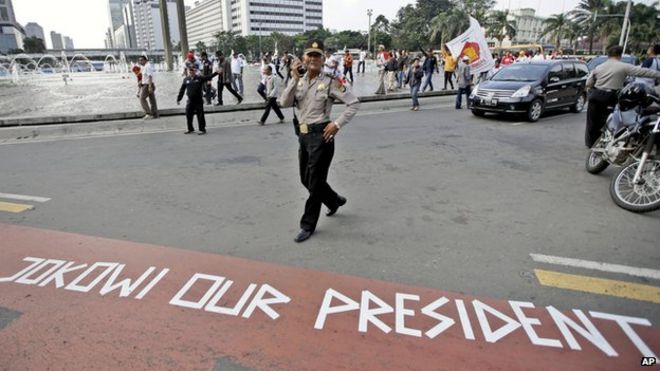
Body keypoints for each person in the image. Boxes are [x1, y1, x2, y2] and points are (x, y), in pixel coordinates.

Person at [280, 40, 361, 243]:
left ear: (323, 59)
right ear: (304, 59)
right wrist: (293, 78)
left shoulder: (331, 81)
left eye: (318, 56)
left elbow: (353, 103)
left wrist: (337, 124)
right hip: (303, 137)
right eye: (310, 56)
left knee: (314, 184)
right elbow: (284, 102)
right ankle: (334, 200)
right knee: (305, 179)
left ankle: (307, 225)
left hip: (322, 136)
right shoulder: (298, 80)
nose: (314, 59)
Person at [585, 45, 660, 147]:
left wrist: (591, 91)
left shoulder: (598, 67)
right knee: (611, 120)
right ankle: (608, 142)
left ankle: (591, 144)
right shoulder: (624, 66)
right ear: (620, 56)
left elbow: (589, 83)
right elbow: (644, 72)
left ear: (608, 55)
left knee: (592, 121)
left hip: (596, 95)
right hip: (611, 96)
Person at [176, 64, 217, 135]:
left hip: (198, 100)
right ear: (189, 71)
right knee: (188, 114)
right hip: (190, 101)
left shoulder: (199, 78)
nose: (191, 72)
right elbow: (182, 90)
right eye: (190, 70)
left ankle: (202, 129)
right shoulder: (186, 79)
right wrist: (179, 99)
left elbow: (208, 77)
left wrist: (216, 73)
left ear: (195, 71)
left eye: (193, 70)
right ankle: (190, 129)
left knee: (200, 115)